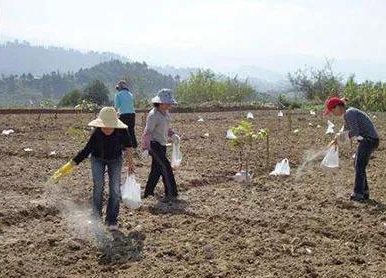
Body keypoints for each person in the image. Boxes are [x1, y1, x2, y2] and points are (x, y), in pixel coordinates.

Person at [71, 107, 135, 231]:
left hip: (115, 159)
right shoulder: (97, 133)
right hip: (97, 159)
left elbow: (129, 146)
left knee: (115, 189)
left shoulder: (122, 131)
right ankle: (96, 216)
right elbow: (87, 150)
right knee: (98, 187)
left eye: (109, 126)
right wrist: (73, 162)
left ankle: (111, 219)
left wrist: (130, 163)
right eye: (104, 126)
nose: (106, 129)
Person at [324, 96, 379, 202]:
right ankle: (364, 192)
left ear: (337, 107)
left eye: (332, 110)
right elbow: (345, 129)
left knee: (359, 165)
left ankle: (358, 194)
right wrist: (336, 140)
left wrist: (342, 137)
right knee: (358, 164)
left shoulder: (350, 113)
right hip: (368, 140)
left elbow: (354, 131)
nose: (332, 113)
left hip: (369, 140)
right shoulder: (348, 114)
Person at [141, 89, 180, 202]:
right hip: (154, 145)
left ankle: (148, 193)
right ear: (160, 103)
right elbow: (147, 132)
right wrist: (145, 148)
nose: (169, 105)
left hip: (162, 144)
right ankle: (171, 193)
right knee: (165, 167)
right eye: (167, 103)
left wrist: (173, 135)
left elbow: (167, 128)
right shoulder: (153, 115)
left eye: (169, 103)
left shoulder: (165, 114)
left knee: (156, 170)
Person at [114, 80, 138, 148]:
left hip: (124, 114)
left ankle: (123, 147)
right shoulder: (130, 94)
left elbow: (117, 106)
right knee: (131, 130)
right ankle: (134, 146)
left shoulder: (118, 95)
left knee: (122, 130)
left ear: (119, 88)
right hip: (132, 114)